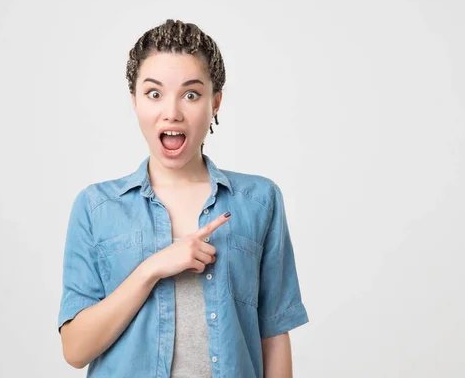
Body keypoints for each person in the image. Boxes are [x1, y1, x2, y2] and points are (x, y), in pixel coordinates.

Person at [57, 19, 309, 378]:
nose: (172, 111)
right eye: (154, 93)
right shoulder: (96, 207)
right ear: (135, 102)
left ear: (215, 102)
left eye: (191, 94)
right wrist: (153, 268)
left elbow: (273, 333)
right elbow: (75, 349)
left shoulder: (259, 201)